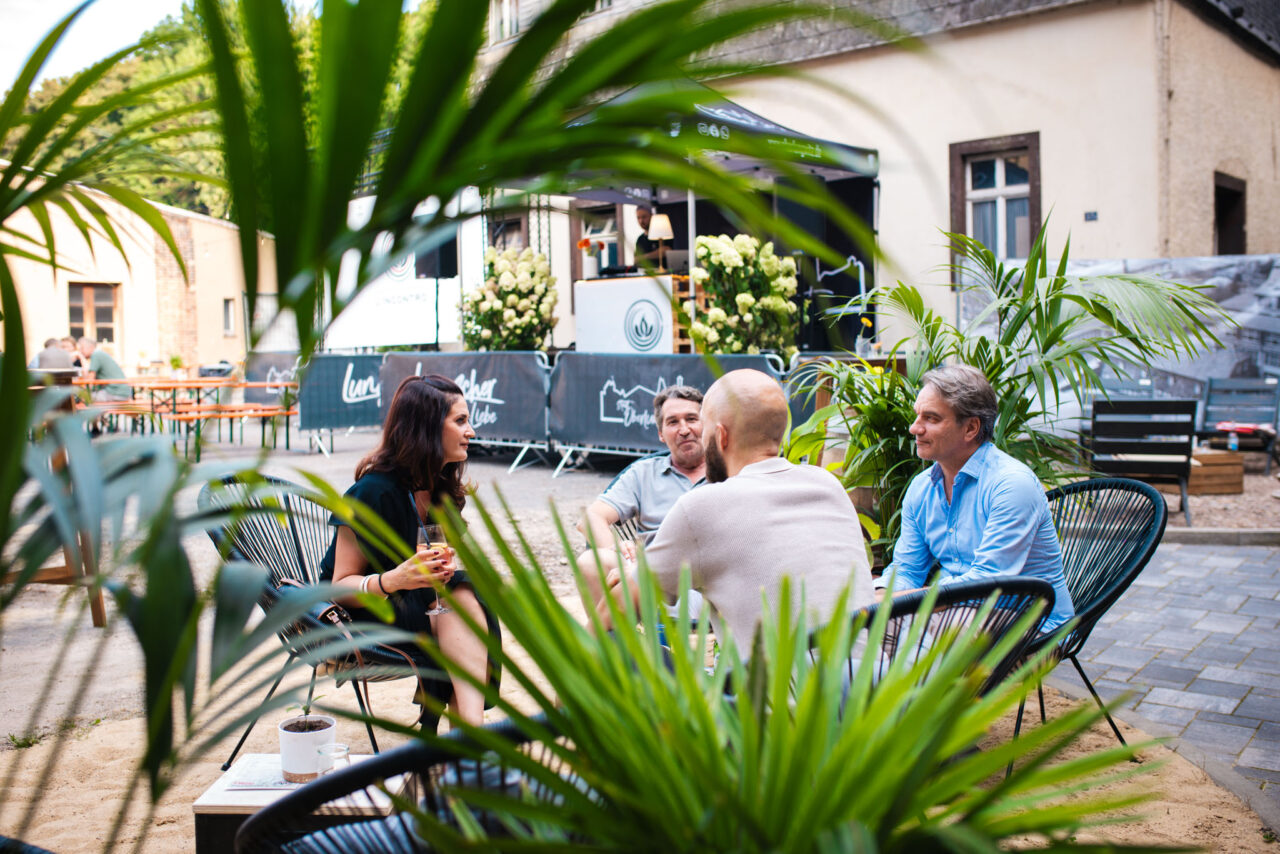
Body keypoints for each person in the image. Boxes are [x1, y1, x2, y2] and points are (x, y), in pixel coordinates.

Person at [599, 369, 875, 650]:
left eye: (702, 428)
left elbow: (612, 612)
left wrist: (635, 577)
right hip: (872, 685)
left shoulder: (704, 506)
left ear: (721, 436)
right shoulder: (828, 485)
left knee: (608, 646)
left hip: (779, 691)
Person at [318, 374, 496, 727]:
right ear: (428, 427)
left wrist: (432, 575)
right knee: (462, 598)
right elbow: (338, 588)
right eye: (460, 420)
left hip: (418, 607)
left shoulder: (440, 489)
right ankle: (472, 738)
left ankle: (468, 737)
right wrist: (395, 579)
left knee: (462, 593)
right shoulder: (373, 492)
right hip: (360, 616)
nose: (471, 431)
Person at [878, 364, 1075, 632]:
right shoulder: (921, 489)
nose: (914, 429)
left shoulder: (1011, 484)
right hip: (955, 612)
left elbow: (986, 583)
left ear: (971, 428)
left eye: (931, 419)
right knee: (865, 629)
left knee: (934, 635)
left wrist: (903, 603)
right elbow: (907, 570)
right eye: (917, 416)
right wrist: (876, 595)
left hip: (1033, 626)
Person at [576, 384, 706, 605]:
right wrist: (617, 550)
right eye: (673, 422)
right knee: (590, 561)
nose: (684, 429)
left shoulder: (730, 468)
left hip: (716, 584)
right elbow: (590, 519)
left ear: (708, 424)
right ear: (661, 434)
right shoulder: (644, 473)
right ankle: (616, 640)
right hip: (655, 585)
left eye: (692, 419)